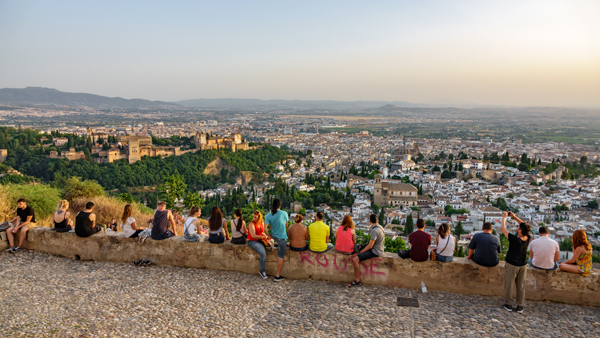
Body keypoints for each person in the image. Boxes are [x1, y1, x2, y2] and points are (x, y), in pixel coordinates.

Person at [501, 211, 532, 314]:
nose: (517, 227)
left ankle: (508, 304)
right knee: (520, 285)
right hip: (523, 265)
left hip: (512, 264)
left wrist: (504, 217)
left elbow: (503, 229)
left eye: (519, 227)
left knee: (509, 284)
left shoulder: (514, 240)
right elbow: (525, 227)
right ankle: (520, 305)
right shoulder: (528, 238)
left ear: (520, 231)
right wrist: (514, 217)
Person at [348, 214, 385, 287]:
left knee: (355, 259)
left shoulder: (375, 230)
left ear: (370, 221)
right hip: (379, 249)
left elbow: (370, 245)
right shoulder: (380, 227)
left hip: (375, 251)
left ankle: (357, 280)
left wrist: (359, 253)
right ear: (377, 220)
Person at [264, 199, 289, 281]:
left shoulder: (268, 215)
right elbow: (286, 225)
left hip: (274, 236)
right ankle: (277, 276)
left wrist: (269, 235)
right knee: (281, 257)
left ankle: (275, 243)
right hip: (281, 238)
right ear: (280, 206)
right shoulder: (284, 213)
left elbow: (265, 229)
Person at [247, 210, 269, 279]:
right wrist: (263, 237)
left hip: (259, 239)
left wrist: (266, 237)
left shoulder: (261, 223)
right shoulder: (251, 224)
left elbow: (261, 232)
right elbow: (253, 235)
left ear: (259, 218)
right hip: (252, 241)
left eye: (255, 217)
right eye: (253, 217)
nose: (254, 218)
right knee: (263, 253)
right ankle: (262, 270)